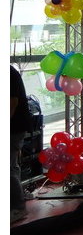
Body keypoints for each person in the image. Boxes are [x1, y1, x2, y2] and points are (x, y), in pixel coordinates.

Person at [11, 65, 34, 224]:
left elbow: (11, 102)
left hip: (13, 128)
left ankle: (17, 208)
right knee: (12, 165)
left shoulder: (8, 73)